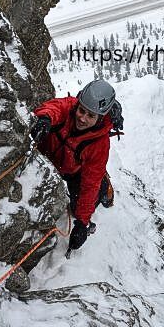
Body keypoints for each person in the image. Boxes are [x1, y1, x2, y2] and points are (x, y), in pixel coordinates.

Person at [30, 80, 118, 253]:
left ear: (100, 118)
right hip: (52, 160)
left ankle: (105, 186)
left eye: (90, 116)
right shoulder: (70, 107)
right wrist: (45, 118)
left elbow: (89, 184)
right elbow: (54, 107)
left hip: (74, 173)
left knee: (80, 206)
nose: (82, 118)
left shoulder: (100, 144)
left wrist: (82, 223)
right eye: (82, 110)